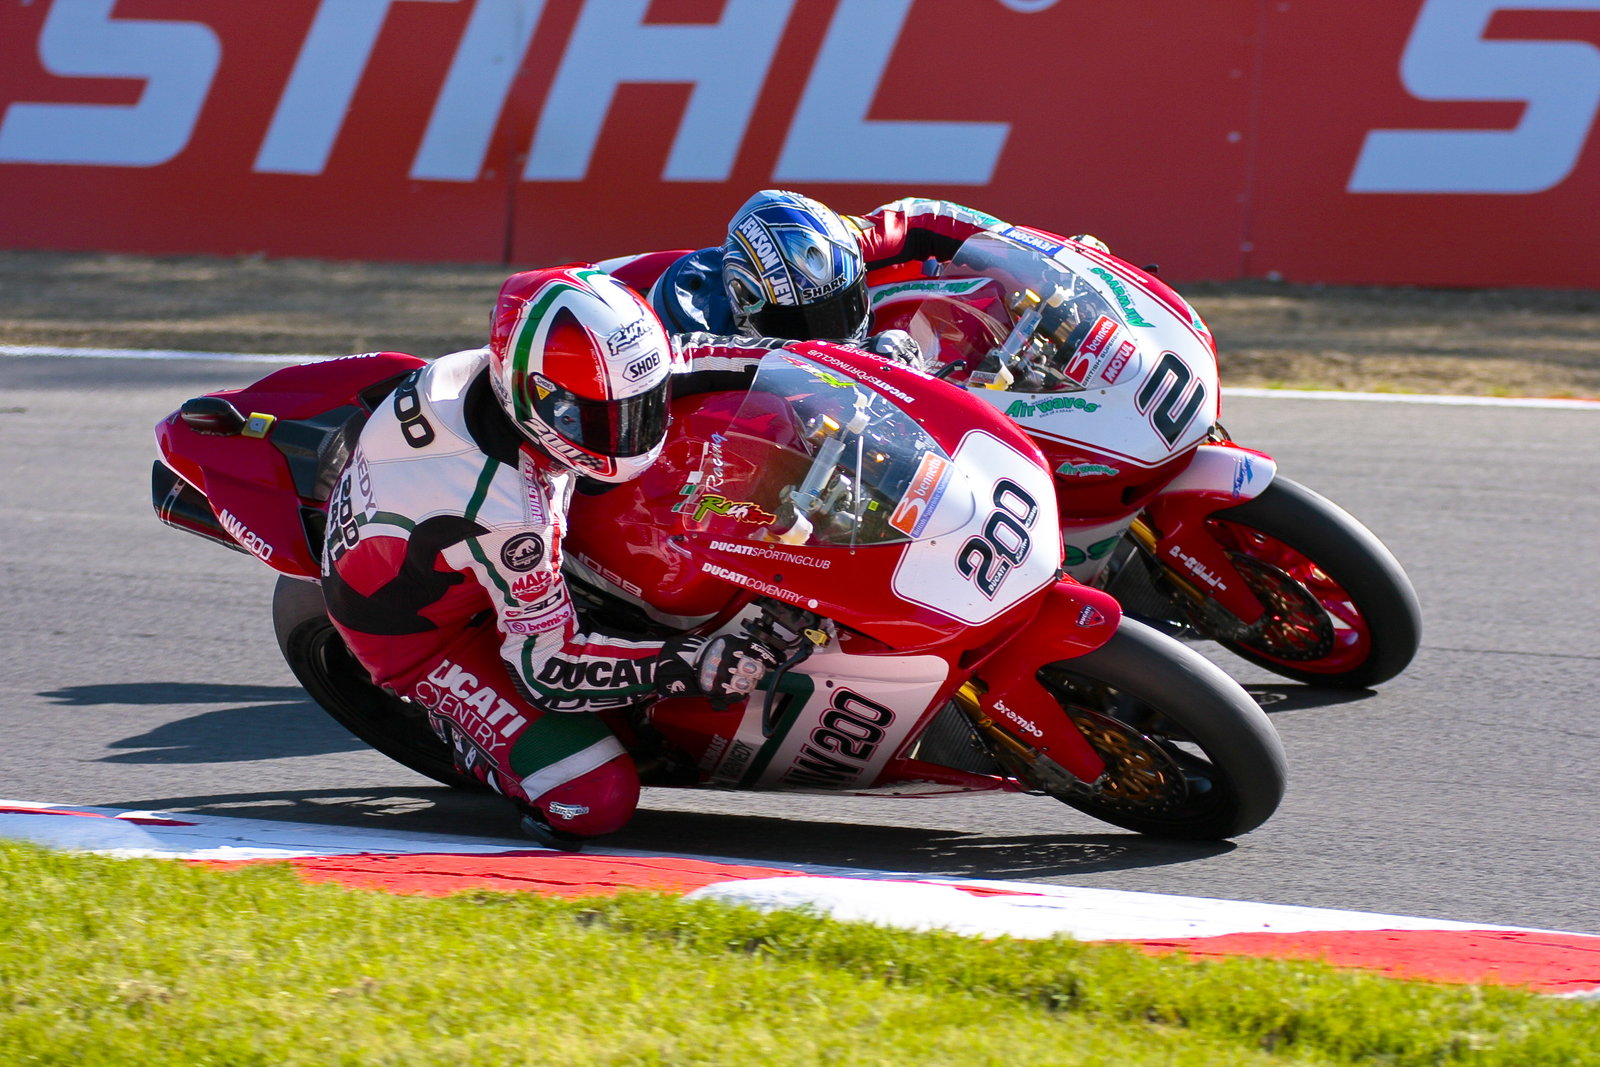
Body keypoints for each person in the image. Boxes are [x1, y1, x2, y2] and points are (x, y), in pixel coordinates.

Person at [319, 266, 784, 848]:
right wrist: (691, 663)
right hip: (425, 632)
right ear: (531, 392)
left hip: (453, 534)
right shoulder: (509, 514)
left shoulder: (526, 381)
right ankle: (466, 737)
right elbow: (547, 669)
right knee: (595, 800)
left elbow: (699, 358)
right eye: (601, 418)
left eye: (644, 407)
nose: (632, 432)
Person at [603, 190, 1106, 362]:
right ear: (749, 305)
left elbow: (917, 217)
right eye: (814, 317)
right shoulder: (700, 332)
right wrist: (865, 359)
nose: (839, 323)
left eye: (843, 303)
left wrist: (1034, 251)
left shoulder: (830, 247)